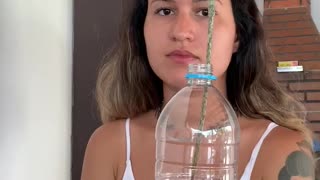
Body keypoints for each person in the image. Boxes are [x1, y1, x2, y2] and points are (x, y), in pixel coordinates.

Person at [81, 0, 316, 179]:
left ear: (238, 36)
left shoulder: (283, 149)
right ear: (142, 31)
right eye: (165, 10)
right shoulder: (110, 145)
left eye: (205, 12)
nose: (181, 32)